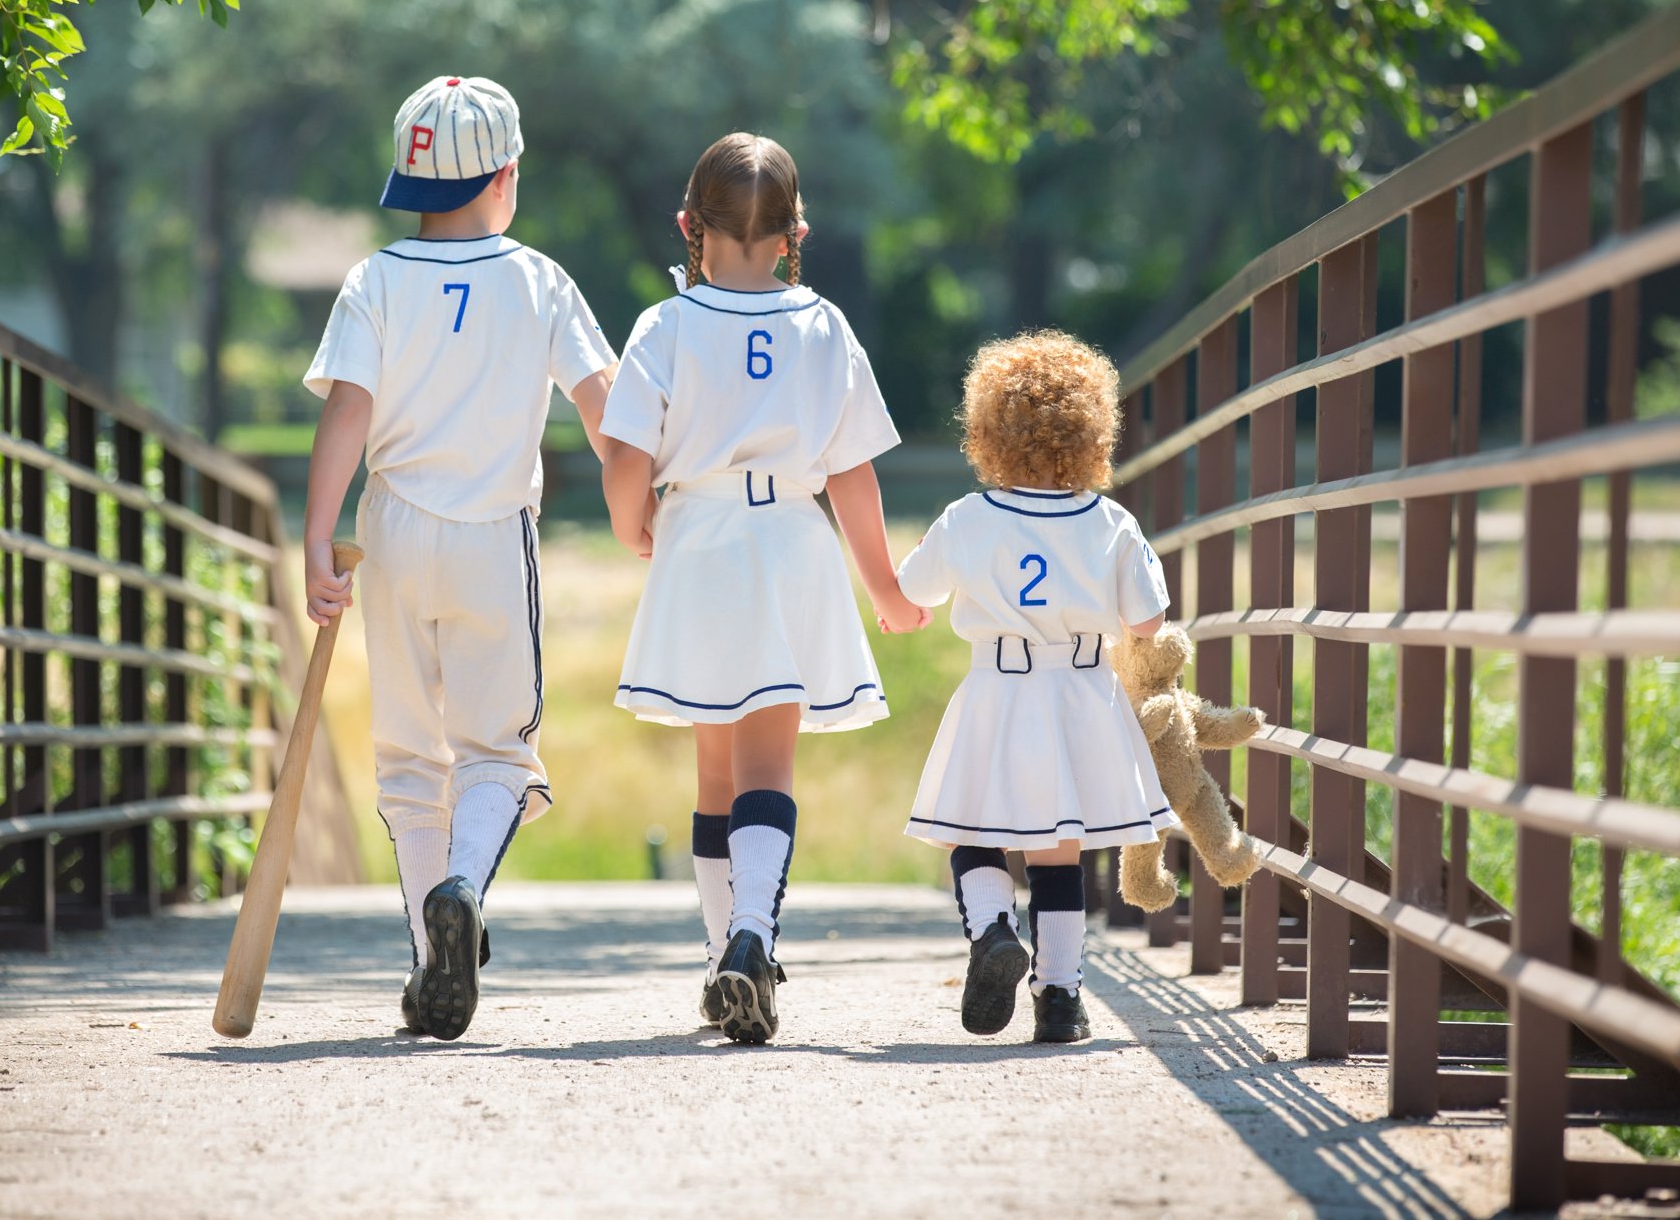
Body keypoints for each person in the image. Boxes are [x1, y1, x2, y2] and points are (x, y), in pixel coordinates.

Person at [300, 75, 618, 1040]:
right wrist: (647, 506)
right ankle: (463, 890)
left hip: (393, 534)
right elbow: (605, 408)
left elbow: (346, 411)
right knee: (497, 753)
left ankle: (425, 958)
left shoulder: (375, 278)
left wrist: (318, 536)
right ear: (505, 176)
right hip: (492, 536)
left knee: (409, 756)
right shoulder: (541, 281)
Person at [599, 132, 928, 1045]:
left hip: (700, 540)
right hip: (790, 542)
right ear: (797, 233)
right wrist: (886, 588)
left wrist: (632, 521)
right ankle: (751, 938)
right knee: (768, 770)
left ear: (687, 227)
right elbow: (852, 472)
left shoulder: (664, 326)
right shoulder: (824, 325)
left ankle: (724, 955)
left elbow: (627, 454)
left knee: (715, 773)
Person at [895, 330, 1177, 1043]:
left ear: (986, 431)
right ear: (1093, 431)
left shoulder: (968, 518)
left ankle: (992, 929)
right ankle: (1061, 998)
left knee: (972, 830)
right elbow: (1149, 618)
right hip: (1082, 690)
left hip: (999, 685)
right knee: (1061, 853)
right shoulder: (1113, 523)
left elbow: (910, 590)